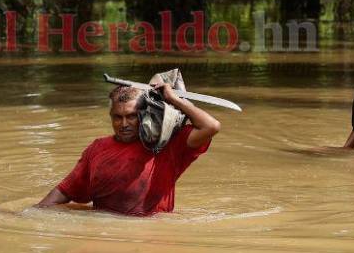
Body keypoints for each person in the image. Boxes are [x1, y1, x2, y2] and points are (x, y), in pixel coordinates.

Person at [36, 82, 221, 215]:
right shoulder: (97, 148)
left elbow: (211, 126)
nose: (124, 124)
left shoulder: (166, 145)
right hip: (107, 233)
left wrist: (174, 99)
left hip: (153, 236)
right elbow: (65, 190)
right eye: (117, 117)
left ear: (144, 115)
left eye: (131, 116)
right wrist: (34, 211)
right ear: (110, 116)